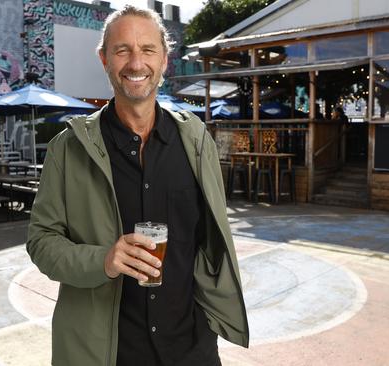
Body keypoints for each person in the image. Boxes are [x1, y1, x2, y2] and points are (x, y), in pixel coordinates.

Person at [26, 5, 248, 366]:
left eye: (147, 50)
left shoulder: (195, 140)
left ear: (164, 60)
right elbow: (41, 242)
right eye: (122, 50)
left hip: (190, 347)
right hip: (107, 352)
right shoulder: (67, 150)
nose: (135, 63)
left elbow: (211, 238)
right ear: (104, 59)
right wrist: (104, 260)